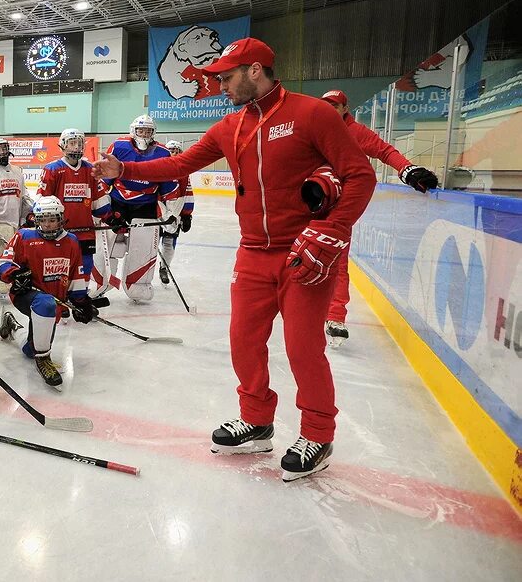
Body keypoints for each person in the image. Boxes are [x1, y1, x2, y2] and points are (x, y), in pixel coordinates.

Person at [93, 37, 376, 481]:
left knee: (304, 350)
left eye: (226, 77)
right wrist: (123, 170)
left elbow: (360, 175)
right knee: (244, 342)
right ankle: (257, 420)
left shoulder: (312, 114)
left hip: (303, 251)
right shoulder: (230, 127)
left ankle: (318, 434)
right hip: (252, 254)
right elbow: (179, 163)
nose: (220, 85)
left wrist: (331, 231)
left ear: (256, 70)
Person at [319, 90, 439, 347]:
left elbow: (385, 151)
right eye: (324, 104)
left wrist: (407, 170)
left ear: (344, 108)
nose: (328, 109)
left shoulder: (356, 131)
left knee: (338, 261)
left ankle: (336, 316)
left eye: (333, 105)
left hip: (341, 206)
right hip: (312, 201)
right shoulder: (315, 127)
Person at [0, 197, 96, 389]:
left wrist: (80, 301)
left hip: (54, 302)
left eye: (52, 219)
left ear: (61, 219)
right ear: (36, 220)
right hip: (27, 295)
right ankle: (44, 360)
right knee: (45, 304)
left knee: (30, 349)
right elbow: (3, 263)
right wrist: (14, 274)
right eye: (43, 219)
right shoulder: (24, 236)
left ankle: (13, 325)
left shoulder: (71, 241)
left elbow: (76, 273)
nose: (48, 224)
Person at [94, 114, 176, 302]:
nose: (144, 134)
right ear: (133, 131)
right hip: (118, 202)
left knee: (143, 246)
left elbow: (167, 184)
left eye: (148, 130)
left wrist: (171, 210)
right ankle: (101, 282)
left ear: (153, 132)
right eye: (141, 130)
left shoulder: (163, 153)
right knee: (110, 243)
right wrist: (100, 204)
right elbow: (105, 178)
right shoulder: (119, 146)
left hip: (146, 205)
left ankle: (138, 285)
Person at [37, 128, 112, 289]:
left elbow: (100, 202)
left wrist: (110, 215)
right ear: (63, 145)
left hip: (85, 231)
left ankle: (81, 297)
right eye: (72, 143)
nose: (76, 147)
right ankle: (61, 297)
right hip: (60, 231)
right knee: (60, 267)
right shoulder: (52, 169)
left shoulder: (89, 169)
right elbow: (43, 201)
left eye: (79, 143)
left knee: (85, 266)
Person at [0, 137, 29, 291]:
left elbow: (23, 195)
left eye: (4, 148)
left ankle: (11, 284)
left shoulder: (17, 171)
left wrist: (28, 214)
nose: (2, 152)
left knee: (16, 256)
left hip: (15, 222)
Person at [157, 140, 195, 286]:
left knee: (169, 241)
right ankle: (145, 272)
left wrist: (187, 214)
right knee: (151, 244)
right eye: (171, 150)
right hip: (158, 212)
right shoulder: (158, 168)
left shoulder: (183, 171)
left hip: (175, 211)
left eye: (176, 150)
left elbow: (187, 193)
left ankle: (164, 268)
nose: (173, 153)